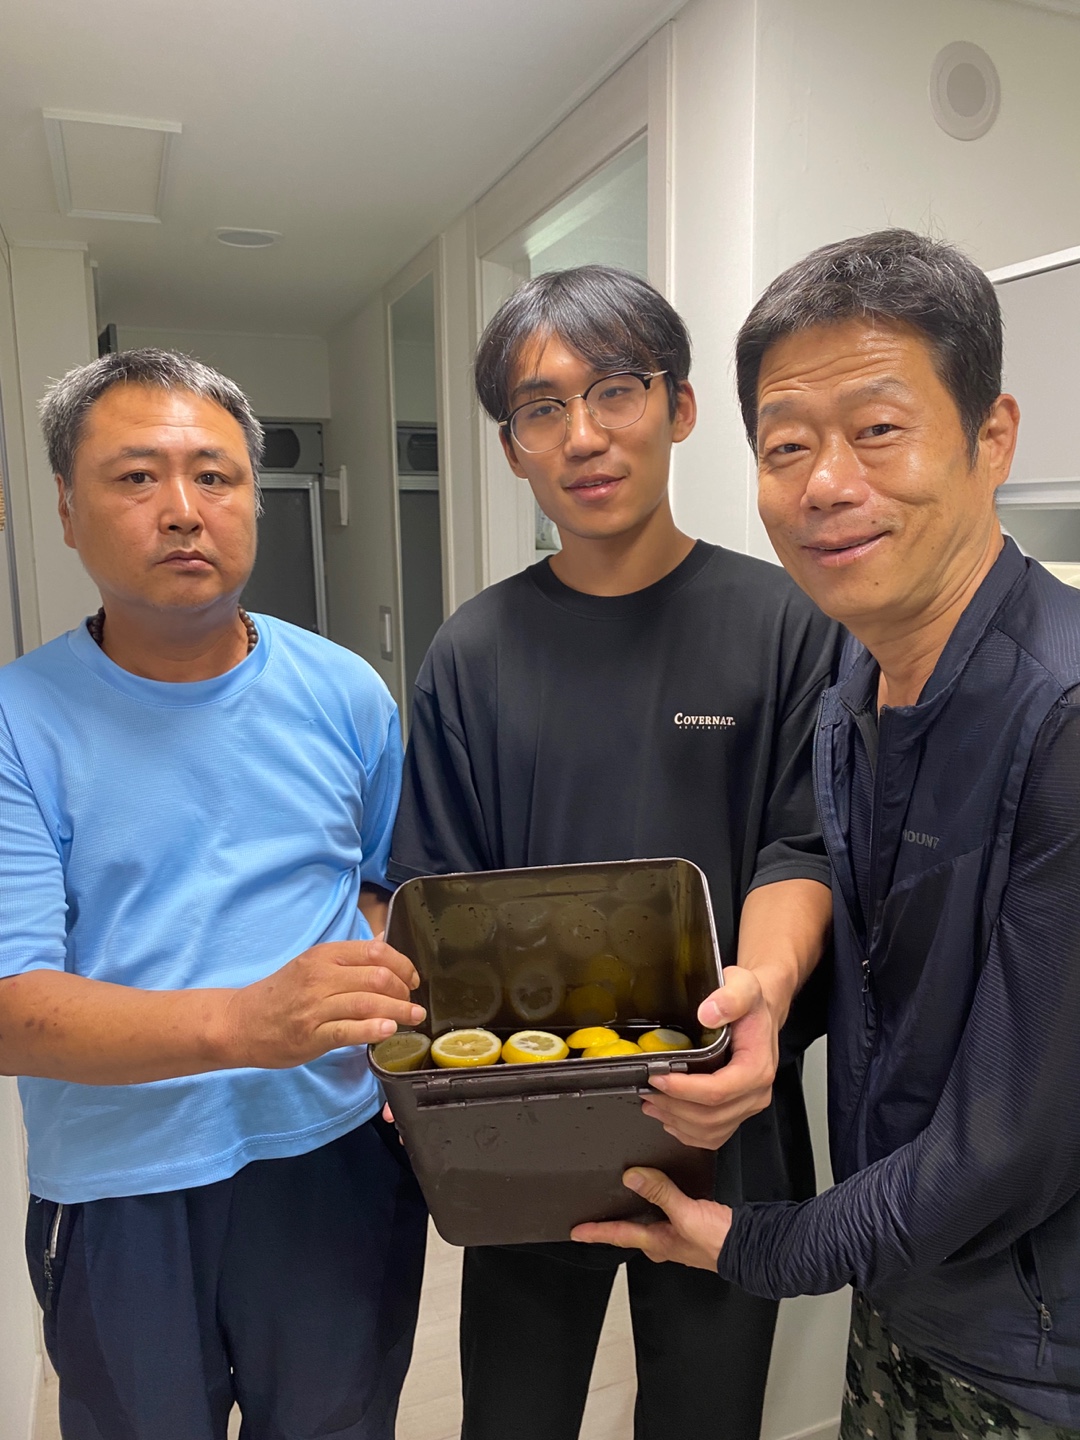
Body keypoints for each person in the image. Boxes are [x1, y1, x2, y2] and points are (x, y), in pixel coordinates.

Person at [573, 230, 1080, 1437]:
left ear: (992, 437)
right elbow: (873, 951)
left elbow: (1009, 1142)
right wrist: (762, 1000)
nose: (826, 485)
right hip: (908, 1291)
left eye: (879, 430)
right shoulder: (856, 686)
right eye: (787, 446)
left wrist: (757, 1245)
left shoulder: (1061, 722)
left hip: (1040, 1351)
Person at [389, 265, 843, 1440]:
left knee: (707, 1415)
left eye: (615, 392)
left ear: (679, 407)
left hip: (719, 1111)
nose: (582, 437)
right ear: (511, 448)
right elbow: (433, 893)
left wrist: (761, 995)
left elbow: (806, 844)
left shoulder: (787, 625)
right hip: (524, 1112)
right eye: (542, 408)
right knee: (513, 1414)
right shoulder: (473, 653)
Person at [0, 349, 429, 1440]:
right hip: (122, 1184)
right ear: (67, 510)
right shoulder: (19, 722)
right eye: (137, 477)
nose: (184, 510)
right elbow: (9, 1008)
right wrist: (246, 1022)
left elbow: (385, 887)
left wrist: (378, 1014)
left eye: (215, 476)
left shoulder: (347, 692)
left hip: (335, 1160)